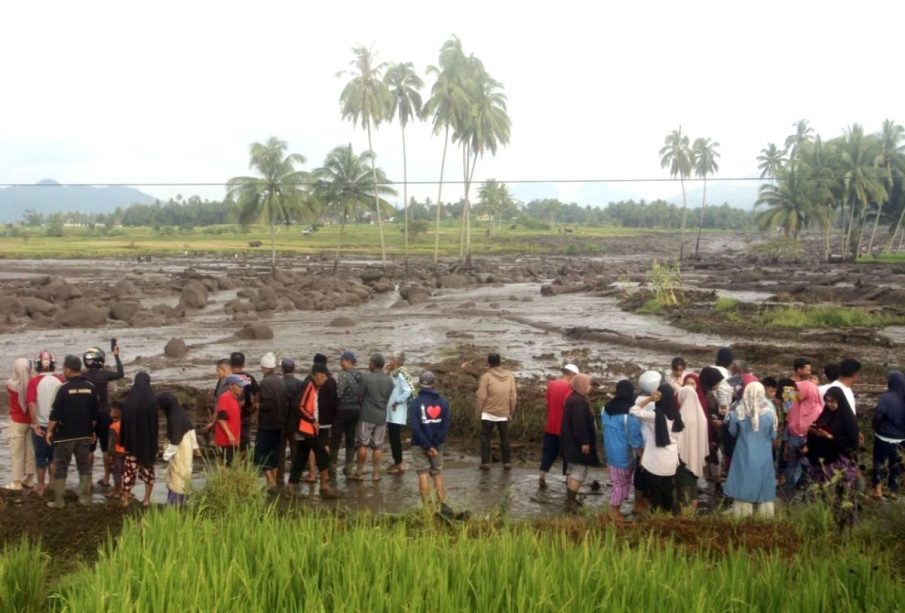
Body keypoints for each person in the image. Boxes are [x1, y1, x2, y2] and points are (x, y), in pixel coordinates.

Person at [46, 355, 99, 509]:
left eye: (64, 369)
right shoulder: (91, 387)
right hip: (84, 434)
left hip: (64, 436)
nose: (63, 372)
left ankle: (59, 501)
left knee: (61, 466)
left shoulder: (62, 388)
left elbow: (55, 414)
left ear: (68, 370)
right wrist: (92, 431)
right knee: (84, 466)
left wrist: (49, 432)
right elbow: (94, 415)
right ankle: (84, 499)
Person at [805, 387, 860, 529]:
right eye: (827, 401)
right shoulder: (825, 414)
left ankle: (845, 525)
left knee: (842, 495)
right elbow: (817, 428)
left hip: (840, 464)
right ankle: (825, 522)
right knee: (825, 494)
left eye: (833, 401)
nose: (830, 404)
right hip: (823, 461)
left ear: (840, 401)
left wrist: (830, 437)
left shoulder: (848, 419)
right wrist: (813, 433)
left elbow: (852, 443)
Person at [724, 382, 778, 517]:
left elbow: (732, 431)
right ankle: (766, 515)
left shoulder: (739, 409)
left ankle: (742, 515)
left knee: (743, 480)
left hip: (743, 451)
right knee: (764, 482)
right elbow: (773, 434)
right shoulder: (770, 409)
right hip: (764, 452)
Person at [287, 363, 340, 498]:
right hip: (307, 428)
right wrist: (312, 420)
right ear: (319, 375)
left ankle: (291, 486)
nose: (326, 380)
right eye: (325, 377)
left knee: (301, 456)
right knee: (322, 454)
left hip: (307, 428)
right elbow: (298, 406)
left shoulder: (313, 386)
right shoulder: (308, 385)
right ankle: (324, 487)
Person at [630, 383, 683, 514]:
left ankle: (656, 518)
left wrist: (649, 399)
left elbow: (633, 410)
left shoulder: (655, 416)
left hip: (655, 460)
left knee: (655, 492)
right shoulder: (677, 417)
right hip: (670, 460)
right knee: (668, 490)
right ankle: (668, 516)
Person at [409, 371, 451, 515]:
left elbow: (414, 427)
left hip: (419, 444)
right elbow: (445, 425)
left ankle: (427, 510)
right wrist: (434, 445)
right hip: (437, 445)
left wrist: (427, 445)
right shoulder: (443, 401)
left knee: (423, 474)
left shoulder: (415, 403)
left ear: (420, 383)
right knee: (437, 474)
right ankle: (443, 508)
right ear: (434, 384)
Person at [82, 345, 124, 489]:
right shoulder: (104, 374)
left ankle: (88, 480)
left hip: (89, 415)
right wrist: (116, 355)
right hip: (105, 414)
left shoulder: (83, 376)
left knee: (90, 449)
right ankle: (106, 478)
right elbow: (120, 373)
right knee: (106, 449)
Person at [601, 379, 643, 518]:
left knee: (616, 482)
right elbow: (635, 440)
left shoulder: (605, 410)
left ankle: (616, 510)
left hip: (610, 453)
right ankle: (613, 511)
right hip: (624, 455)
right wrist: (642, 455)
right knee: (621, 484)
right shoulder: (628, 416)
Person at [27, 350, 64, 497]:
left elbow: (31, 404)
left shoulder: (34, 382)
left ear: (37, 365)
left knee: (40, 457)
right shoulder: (61, 380)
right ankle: (52, 484)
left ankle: (40, 486)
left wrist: (35, 424)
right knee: (54, 456)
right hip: (56, 426)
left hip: (41, 426)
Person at [560, 373, 599, 512]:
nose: (590, 387)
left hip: (569, 442)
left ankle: (571, 499)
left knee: (572, 471)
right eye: (588, 384)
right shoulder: (579, 401)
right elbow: (579, 424)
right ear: (581, 384)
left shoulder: (573, 398)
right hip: (576, 443)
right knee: (579, 471)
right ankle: (571, 501)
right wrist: (585, 442)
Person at [351, 354, 394, 481]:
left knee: (362, 444)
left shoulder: (366, 378)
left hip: (367, 415)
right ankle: (376, 474)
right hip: (381, 416)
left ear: (374, 364)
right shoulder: (389, 380)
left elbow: (359, 396)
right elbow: (388, 397)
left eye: (370, 362)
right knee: (378, 446)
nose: (369, 364)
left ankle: (359, 473)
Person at [120, 372, 159, 508]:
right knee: (148, 471)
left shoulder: (129, 402)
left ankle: (125, 499)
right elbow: (155, 426)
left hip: (132, 444)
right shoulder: (152, 401)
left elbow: (124, 424)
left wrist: (123, 441)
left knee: (128, 472)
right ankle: (146, 499)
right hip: (147, 445)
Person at [538, 364, 579, 489]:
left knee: (548, 452)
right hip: (566, 428)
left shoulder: (551, 384)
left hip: (551, 425)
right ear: (572, 374)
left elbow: (547, 402)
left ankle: (542, 475)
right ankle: (568, 480)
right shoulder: (572, 389)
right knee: (568, 455)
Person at [476, 353, 517, 471]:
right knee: (504, 438)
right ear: (500, 362)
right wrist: (510, 412)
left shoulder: (486, 377)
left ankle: (485, 463)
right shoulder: (510, 377)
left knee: (485, 438)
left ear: (488, 363)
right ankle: (507, 462)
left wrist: (479, 411)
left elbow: (481, 396)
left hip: (488, 412)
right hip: (504, 412)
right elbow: (513, 397)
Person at [782, 380, 823, 495]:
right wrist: (785, 444)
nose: (796, 393)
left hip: (809, 442)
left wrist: (809, 445)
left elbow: (819, 432)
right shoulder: (794, 407)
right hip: (793, 440)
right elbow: (788, 426)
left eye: (798, 391)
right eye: (795, 390)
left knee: (806, 468)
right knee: (791, 467)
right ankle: (788, 493)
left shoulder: (818, 410)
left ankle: (803, 494)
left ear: (807, 392)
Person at [675, 378, 710, 515]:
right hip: (696, 457)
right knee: (693, 486)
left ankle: (685, 516)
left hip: (683, 457)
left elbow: (677, 439)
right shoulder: (701, 416)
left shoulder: (682, 416)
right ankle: (692, 514)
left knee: (684, 486)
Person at [158, 392, 197, 506]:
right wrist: (195, 447)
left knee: (177, 475)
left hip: (181, 449)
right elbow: (191, 428)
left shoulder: (174, 417)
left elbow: (175, 440)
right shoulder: (181, 412)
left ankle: (175, 504)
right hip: (187, 446)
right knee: (186, 472)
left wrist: (166, 455)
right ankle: (185, 502)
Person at [870, 371, 905, 499]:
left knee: (878, 462)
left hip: (883, 437)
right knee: (896, 465)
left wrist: (875, 426)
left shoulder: (886, 397)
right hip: (901, 439)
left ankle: (878, 491)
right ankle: (893, 491)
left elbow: (878, 415)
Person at [255, 352, 287, 490]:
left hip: (267, 424)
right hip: (280, 423)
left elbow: (268, 403)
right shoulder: (280, 381)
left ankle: (270, 481)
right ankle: (271, 481)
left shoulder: (265, 382)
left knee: (261, 453)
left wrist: (258, 406)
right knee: (274, 453)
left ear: (263, 368)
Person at [331, 351, 362, 478]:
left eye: (342, 360)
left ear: (348, 361)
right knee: (350, 438)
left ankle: (332, 466)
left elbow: (338, 393)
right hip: (356, 410)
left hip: (342, 410)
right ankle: (349, 468)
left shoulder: (342, 375)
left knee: (336, 438)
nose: (340, 363)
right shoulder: (360, 375)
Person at [5, 358, 35, 491]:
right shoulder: (34, 383)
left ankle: (17, 482)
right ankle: (29, 480)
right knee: (30, 451)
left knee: (17, 452)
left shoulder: (11, 384)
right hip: (31, 421)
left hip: (17, 421)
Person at [386, 351, 416, 475]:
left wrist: (397, 401)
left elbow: (408, 390)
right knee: (393, 437)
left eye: (392, 359)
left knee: (395, 437)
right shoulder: (394, 373)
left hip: (397, 410)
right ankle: (397, 461)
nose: (390, 361)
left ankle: (399, 463)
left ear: (398, 362)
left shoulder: (400, 374)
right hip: (392, 411)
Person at [209, 374, 245, 466]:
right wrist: (229, 435)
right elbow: (221, 418)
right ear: (231, 386)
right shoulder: (225, 397)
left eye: (242, 386)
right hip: (225, 439)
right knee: (227, 464)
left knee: (231, 463)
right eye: (239, 386)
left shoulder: (235, 399)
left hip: (233, 438)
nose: (241, 388)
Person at [230, 352, 260, 453]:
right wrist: (253, 408)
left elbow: (218, 397)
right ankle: (244, 466)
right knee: (245, 442)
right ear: (243, 364)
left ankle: (232, 465)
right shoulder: (250, 378)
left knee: (230, 442)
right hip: (245, 415)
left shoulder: (226, 379)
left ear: (230, 364)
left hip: (229, 417)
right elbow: (257, 395)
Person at [107, 402, 126, 498]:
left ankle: (116, 490)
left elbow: (112, 442)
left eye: (111, 410)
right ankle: (124, 489)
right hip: (127, 451)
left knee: (116, 472)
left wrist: (110, 454)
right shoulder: (127, 423)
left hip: (117, 452)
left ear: (117, 412)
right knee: (124, 472)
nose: (110, 412)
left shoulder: (113, 426)